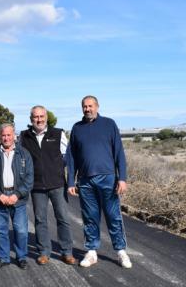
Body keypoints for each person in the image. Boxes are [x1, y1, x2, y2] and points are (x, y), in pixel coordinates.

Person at [66, 96, 132, 269]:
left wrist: (122, 178)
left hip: (108, 178)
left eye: (90, 106)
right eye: (84, 107)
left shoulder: (109, 124)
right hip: (85, 181)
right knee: (89, 217)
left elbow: (119, 153)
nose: (87, 109)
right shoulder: (77, 128)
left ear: (97, 106)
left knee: (113, 216)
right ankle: (91, 252)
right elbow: (71, 157)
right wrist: (71, 181)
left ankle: (120, 251)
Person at [19, 106, 76, 265]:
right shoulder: (24, 136)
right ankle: (44, 252)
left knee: (63, 218)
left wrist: (55, 169)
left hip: (57, 184)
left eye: (42, 116)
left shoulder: (58, 134)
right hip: (36, 186)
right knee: (40, 219)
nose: (39, 119)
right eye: (36, 117)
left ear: (46, 117)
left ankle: (67, 252)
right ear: (31, 119)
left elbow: (67, 158)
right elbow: (21, 159)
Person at [0, 124, 34, 269]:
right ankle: (3, 258)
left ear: (14, 136)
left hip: (18, 199)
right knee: (0, 230)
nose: (6, 138)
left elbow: (29, 178)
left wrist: (17, 195)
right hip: (0, 198)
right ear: (0, 136)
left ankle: (21, 257)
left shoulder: (24, 154)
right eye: (3, 135)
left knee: (21, 230)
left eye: (9, 135)